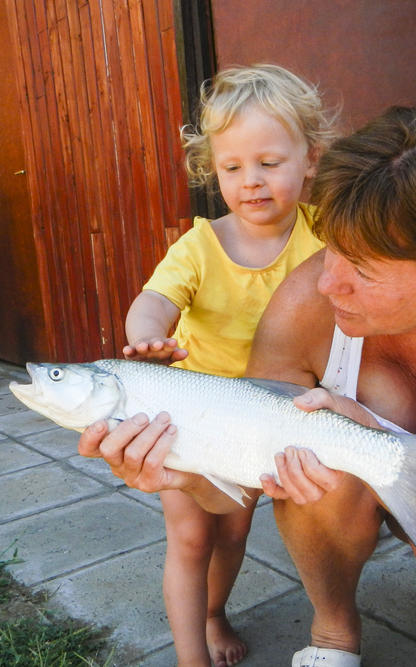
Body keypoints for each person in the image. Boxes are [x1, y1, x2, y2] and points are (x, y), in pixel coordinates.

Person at [79, 103, 416, 667]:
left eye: (363, 269)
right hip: (348, 489)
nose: (327, 281)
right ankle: (333, 625)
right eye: (333, 247)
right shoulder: (303, 305)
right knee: (309, 449)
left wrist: (372, 434)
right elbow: (246, 477)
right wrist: (183, 475)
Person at [120, 63, 335, 667]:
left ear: (309, 159)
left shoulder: (324, 236)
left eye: (270, 163)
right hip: (187, 418)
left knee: (234, 532)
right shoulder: (199, 245)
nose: (251, 182)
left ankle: (215, 612)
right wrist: (147, 340)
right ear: (212, 171)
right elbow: (153, 301)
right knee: (191, 537)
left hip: (259, 425)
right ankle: (191, 657)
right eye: (232, 168)